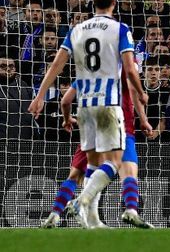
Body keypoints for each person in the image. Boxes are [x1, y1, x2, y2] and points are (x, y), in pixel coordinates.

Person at [27, 0, 148, 229]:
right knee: (114, 163)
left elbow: (56, 66)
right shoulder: (120, 29)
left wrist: (39, 96)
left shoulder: (77, 30)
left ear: (93, 3)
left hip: (84, 106)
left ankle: (92, 222)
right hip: (108, 103)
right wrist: (141, 91)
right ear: (115, 3)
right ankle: (82, 201)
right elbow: (128, 68)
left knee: (92, 164)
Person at [42, 77, 153, 229]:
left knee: (78, 174)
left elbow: (65, 101)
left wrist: (66, 118)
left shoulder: (88, 73)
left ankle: (56, 215)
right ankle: (127, 209)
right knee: (126, 169)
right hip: (119, 124)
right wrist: (143, 117)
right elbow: (133, 87)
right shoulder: (122, 65)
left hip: (90, 124)